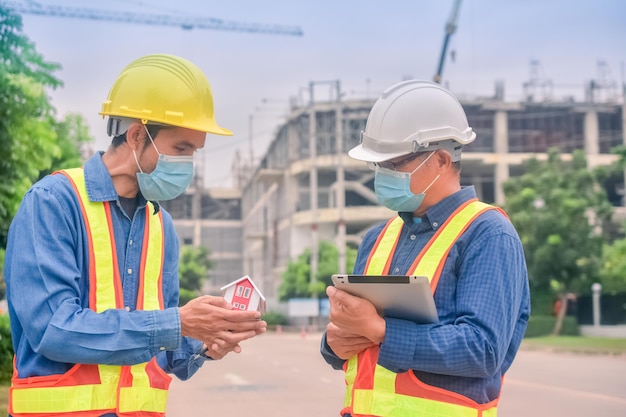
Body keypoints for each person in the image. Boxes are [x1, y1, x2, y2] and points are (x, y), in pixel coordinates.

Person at [5, 53, 267, 417]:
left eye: (194, 151)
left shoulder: (162, 226)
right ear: (137, 135)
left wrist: (204, 341)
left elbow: (162, 350)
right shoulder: (53, 204)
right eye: (182, 148)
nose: (189, 163)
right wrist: (177, 322)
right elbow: (53, 330)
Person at [320, 80, 530, 417]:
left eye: (393, 163)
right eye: (378, 165)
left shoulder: (488, 234)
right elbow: (356, 341)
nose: (381, 174)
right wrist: (333, 344)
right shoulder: (377, 239)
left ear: (442, 160)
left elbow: (483, 350)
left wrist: (380, 331)